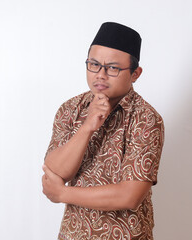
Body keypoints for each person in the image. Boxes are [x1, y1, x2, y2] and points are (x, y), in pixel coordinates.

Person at [42, 22, 165, 240]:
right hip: (73, 234)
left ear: (135, 73)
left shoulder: (146, 119)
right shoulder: (70, 109)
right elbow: (56, 171)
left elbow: (129, 196)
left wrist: (64, 193)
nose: (100, 74)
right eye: (94, 64)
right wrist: (87, 126)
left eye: (113, 68)